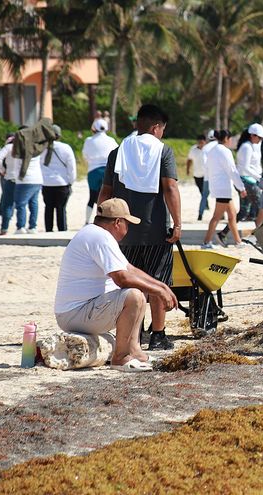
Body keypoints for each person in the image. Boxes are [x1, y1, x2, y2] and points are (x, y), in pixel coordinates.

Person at [54, 198, 178, 372]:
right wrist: (159, 291)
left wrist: (161, 287)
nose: (128, 229)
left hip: (76, 312)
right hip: (75, 314)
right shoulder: (100, 237)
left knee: (138, 292)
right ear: (118, 222)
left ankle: (135, 351)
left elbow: (130, 269)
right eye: (127, 223)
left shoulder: (95, 233)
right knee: (133, 295)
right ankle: (120, 358)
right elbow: (122, 279)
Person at [98, 104, 182, 351]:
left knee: (130, 283)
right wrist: (177, 223)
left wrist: (100, 224)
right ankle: (158, 335)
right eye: (162, 129)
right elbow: (170, 188)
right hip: (155, 229)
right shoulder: (163, 151)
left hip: (121, 231)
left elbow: (106, 192)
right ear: (156, 127)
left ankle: (134, 332)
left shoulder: (118, 152)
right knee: (156, 281)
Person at [202, 130, 247, 248]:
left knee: (232, 215)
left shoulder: (212, 150)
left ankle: (238, 242)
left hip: (218, 187)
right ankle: (206, 242)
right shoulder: (225, 151)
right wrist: (241, 188)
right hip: (223, 188)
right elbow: (232, 170)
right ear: (227, 138)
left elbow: (208, 168)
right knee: (216, 217)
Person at [40, 125, 77, 232]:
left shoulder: (42, 148)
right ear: (59, 135)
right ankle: (62, 231)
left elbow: (39, 164)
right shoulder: (66, 148)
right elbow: (72, 168)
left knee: (48, 208)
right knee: (61, 209)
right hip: (62, 183)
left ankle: (48, 231)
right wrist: (71, 181)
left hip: (46, 183)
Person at [82, 118, 119, 224]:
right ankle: (107, 220)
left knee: (92, 196)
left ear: (94, 128)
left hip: (93, 171)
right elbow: (117, 154)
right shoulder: (111, 140)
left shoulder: (89, 140)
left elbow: (85, 156)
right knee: (109, 196)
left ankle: (87, 221)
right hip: (108, 171)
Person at [234, 123, 263, 223]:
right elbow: (245, 167)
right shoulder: (246, 147)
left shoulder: (252, 146)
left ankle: (223, 233)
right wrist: (259, 178)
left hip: (251, 179)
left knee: (244, 211)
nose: (260, 140)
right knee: (261, 207)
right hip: (247, 180)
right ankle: (260, 235)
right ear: (252, 135)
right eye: (259, 137)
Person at [0, 133, 15, 228]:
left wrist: (1, 171)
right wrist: (3, 172)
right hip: (7, 175)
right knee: (8, 198)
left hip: (4, 175)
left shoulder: (4, 147)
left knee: (5, 197)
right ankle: (2, 217)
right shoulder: (10, 147)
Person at [186, 134, 209, 221]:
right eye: (199, 142)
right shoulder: (193, 150)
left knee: (204, 193)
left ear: (205, 142)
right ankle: (205, 204)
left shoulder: (208, 150)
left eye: (202, 142)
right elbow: (189, 160)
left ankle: (202, 209)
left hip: (206, 175)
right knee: (202, 191)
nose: (200, 144)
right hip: (197, 175)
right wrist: (188, 170)